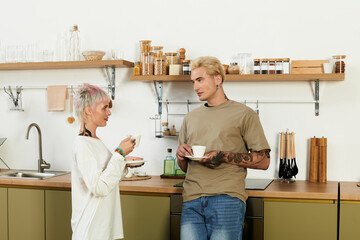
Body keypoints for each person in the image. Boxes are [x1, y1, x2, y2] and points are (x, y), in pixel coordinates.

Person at [176, 57, 271, 240]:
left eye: (200, 80)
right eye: (193, 81)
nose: (195, 87)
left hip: (226, 198)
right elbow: (186, 168)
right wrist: (181, 156)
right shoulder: (190, 118)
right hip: (191, 199)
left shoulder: (244, 114)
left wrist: (224, 156)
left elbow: (264, 161)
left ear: (218, 79)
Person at [71, 83, 140, 240]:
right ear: (88, 110)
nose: (109, 112)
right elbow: (99, 188)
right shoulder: (83, 144)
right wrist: (119, 153)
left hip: (100, 227)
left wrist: (123, 160)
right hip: (90, 229)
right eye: (104, 108)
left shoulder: (94, 141)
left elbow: (107, 176)